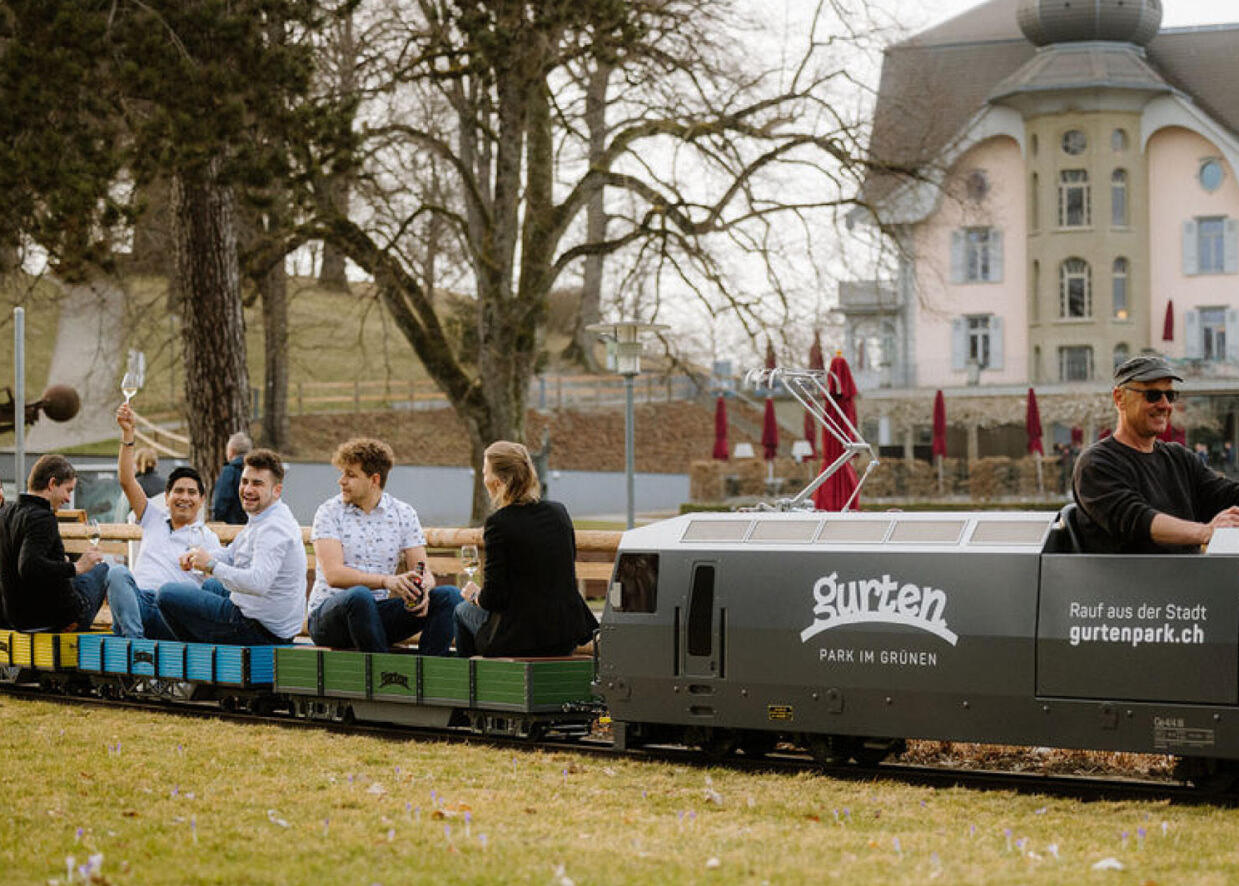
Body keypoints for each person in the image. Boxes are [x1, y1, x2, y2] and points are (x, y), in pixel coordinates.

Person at [307, 438, 462, 653]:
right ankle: (384, 677)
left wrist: (423, 587)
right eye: (342, 473)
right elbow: (334, 575)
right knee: (359, 596)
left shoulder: (403, 513)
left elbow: (422, 570)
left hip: (375, 616)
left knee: (449, 596)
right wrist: (386, 581)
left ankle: (429, 674)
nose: (341, 481)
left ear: (374, 479)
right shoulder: (329, 512)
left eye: (351, 475)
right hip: (329, 618)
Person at [1073, 355, 1239, 554]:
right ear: (1119, 398)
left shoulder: (1178, 457)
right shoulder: (1096, 464)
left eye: (1170, 396)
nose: (1165, 405)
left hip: (1188, 579)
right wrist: (1206, 531)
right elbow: (1138, 520)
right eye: (1152, 395)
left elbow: (1226, 495)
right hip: (1130, 582)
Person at [454, 441, 598, 657]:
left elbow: (494, 598)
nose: (483, 480)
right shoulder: (558, 512)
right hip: (565, 630)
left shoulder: (499, 523)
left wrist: (475, 596)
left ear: (500, 482)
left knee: (461, 611)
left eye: (485, 473)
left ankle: (471, 685)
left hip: (522, 636)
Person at [157, 449, 306, 645]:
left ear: (277, 490)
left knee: (167, 594)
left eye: (257, 484)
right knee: (211, 585)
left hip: (260, 629)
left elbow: (258, 582)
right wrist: (196, 557)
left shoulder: (273, 528)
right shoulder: (264, 516)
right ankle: (207, 655)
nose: (247, 489)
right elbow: (231, 554)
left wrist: (211, 565)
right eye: (245, 481)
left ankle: (198, 662)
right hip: (261, 615)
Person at [105, 403, 222, 639]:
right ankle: (135, 644)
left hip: (172, 615)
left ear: (201, 500)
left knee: (172, 598)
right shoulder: (153, 517)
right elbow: (127, 480)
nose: (184, 498)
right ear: (167, 497)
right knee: (116, 573)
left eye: (191, 493)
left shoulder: (207, 538)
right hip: (138, 604)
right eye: (178, 491)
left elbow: (214, 586)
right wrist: (128, 434)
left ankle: (132, 644)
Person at [0, 454, 107, 631]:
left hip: (17, 619)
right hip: (55, 619)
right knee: (103, 570)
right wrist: (76, 567)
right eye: (68, 490)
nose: (67, 498)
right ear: (51, 484)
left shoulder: (7, 514)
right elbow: (28, 566)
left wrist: (61, 563)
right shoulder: (42, 517)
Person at [212, 431, 251, 524]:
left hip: (231, 526)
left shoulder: (229, 471)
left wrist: (216, 519)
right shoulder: (255, 472)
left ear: (231, 451)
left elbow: (221, 501)